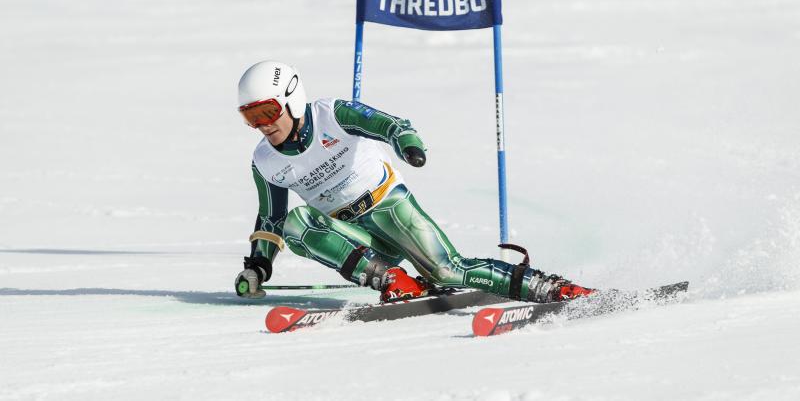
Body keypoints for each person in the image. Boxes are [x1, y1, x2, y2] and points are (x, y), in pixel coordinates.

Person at [234, 60, 594, 303]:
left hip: (389, 207)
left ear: (291, 100)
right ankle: (393, 280)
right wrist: (257, 266)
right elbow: (271, 220)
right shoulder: (265, 161)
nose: (262, 124)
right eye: (251, 117)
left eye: (267, 111)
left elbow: (391, 125)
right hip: (353, 239)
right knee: (296, 224)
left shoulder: (333, 115)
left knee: (446, 269)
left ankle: (552, 289)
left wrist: (409, 145)